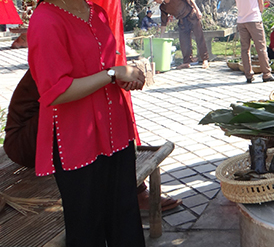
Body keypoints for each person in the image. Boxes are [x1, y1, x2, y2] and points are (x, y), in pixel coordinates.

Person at [27, 0, 149, 247]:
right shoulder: (46, 21)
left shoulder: (97, 14)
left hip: (114, 133)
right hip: (76, 139)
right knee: (87, 230)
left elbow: (105, 67)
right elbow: (58, 91)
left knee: (125, 218)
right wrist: (113, 74)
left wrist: (125, 78)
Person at [3, 68, 182, 212]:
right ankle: (133, 193)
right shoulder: (54, 39)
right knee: (91, 104)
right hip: (24, 141)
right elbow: (64, 92)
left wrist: (124, 76)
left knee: (102, 101)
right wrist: (112, 74)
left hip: (50, 132)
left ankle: (132, 190)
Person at [231, 0, 274, 84]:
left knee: (244, 49)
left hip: (241, 20)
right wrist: (260, 12)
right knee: (261, 47)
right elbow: (260, 0)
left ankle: (248, 75)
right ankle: (266, 74)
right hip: (254, 19)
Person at [148, 0, 209, 69]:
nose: (156, 1)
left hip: (192, 16)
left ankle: (205, 60)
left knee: (199, 37)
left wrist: (198, 11)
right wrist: (161, 36)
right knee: (184, 41)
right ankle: (187, 62)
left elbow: (190, 0)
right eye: (154, 0)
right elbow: (164, 22)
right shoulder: (163, 7)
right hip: (182, 21)